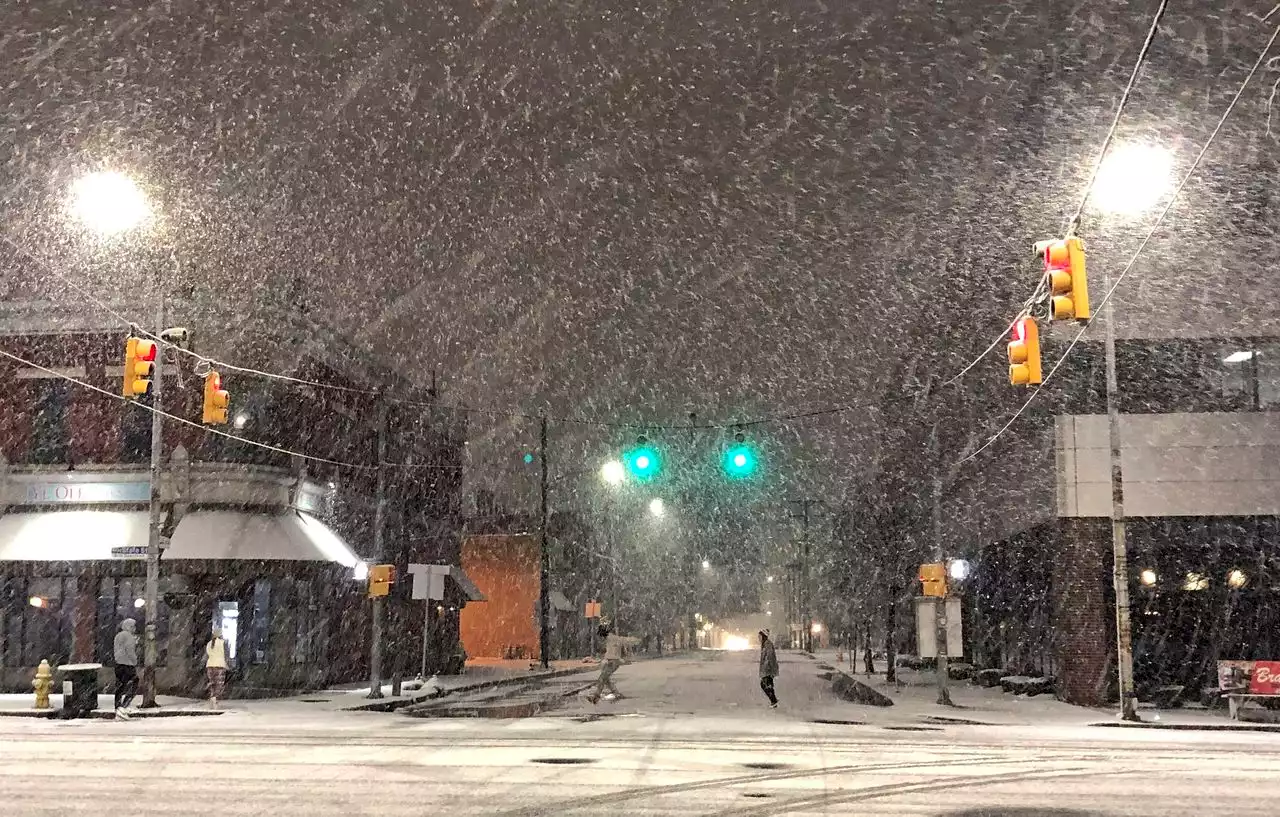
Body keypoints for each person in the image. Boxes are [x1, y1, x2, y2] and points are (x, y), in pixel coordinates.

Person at [585, 620, 639, 704]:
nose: (600, 637)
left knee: (602, 678)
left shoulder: (611, 639)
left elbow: (612, 653)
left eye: (600, 634)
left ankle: (596, 697)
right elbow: (619, 647)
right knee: (606, 679)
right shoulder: (612, 638)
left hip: (612, 662)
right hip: (613, 662)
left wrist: (609, 660)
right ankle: (616, 693)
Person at [113, 618, 139, 719]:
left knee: (120, 686)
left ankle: (117, 706)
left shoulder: (118, 636)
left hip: (118, 664)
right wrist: (135, 661)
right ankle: (124, 706)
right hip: (128, 664)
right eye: (133, 626)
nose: (135, 629)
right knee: (134, 684)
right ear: (129, 627)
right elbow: (130, 651)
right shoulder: (129, 637)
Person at [205, 628, 229, 709]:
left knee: (212, 683)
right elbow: (226, 654)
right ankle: (215, 699)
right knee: (219, 684)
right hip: (220, 665)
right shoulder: (223, 643)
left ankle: (212, 698)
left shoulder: (209, 644)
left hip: (210, 665)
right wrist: (227, 663)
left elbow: (207, 654)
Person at [759, 629, 779, 708]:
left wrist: (768, 667)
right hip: (766, 668)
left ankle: (773, 700)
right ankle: (773, 701)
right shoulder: (765, 644)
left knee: (764, 684)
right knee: (768, 685)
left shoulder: (768, 644)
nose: (758, 638)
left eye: (760, 636)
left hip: (768, 669)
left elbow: (770, 657)